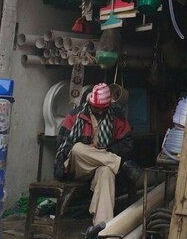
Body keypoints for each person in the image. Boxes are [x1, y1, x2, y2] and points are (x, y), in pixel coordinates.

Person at [54, 83, 139, 225]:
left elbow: (127, 143)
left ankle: (103, 228)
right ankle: (118, 163)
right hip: (77, 165)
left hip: (100, 165)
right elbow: (63, 147)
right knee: (77, 148)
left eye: (103, 109)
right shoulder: (75, 116)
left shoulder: (116, 117)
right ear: (90, 103)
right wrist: (89, 149)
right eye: (97, 108)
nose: (100, 112)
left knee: (107, 171)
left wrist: (105, 152)